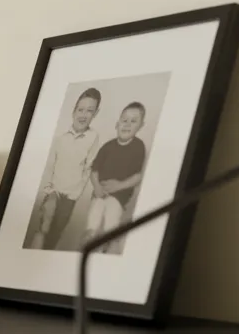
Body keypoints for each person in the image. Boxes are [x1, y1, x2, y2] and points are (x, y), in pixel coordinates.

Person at [29, 88, 101, 250]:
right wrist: (49, 189)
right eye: (80, 110)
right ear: (74, 111)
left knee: (56, 232)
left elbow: (89, 167)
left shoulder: (93, 137)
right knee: (44, 227)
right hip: (53, 191)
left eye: (89, 111)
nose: (84, 115)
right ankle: (34, 253)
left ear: (96, 113)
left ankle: (46, 254)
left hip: (70, 196)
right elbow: (50, 165)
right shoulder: (61, 137)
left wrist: (76, 193)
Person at [83, 101, 149, 250]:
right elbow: (94, 171)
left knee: (112, 214)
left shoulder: (138, 146)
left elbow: (137, 177)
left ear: (140, 126)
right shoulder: (107, 146)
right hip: (100, 192)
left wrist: (118, 186)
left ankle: (108, 244)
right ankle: (89, 239)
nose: (127, 124)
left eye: (133, 121)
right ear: (117, 124)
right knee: (95, 213)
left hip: (119, 195)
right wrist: (97, 187)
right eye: (124, 120)